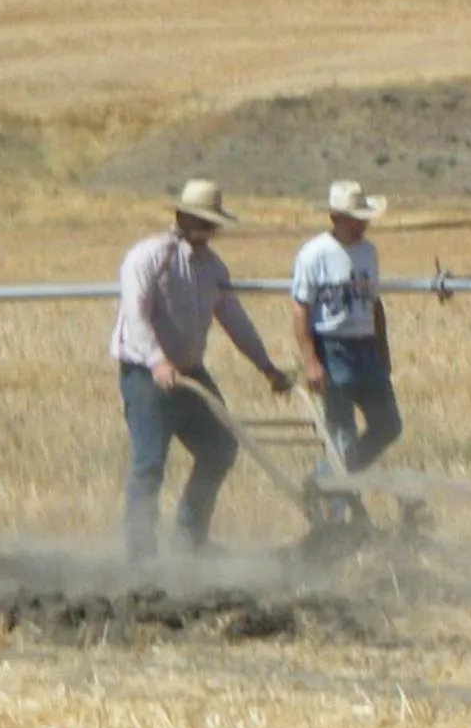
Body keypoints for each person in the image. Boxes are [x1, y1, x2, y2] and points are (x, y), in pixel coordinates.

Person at [110, 178, 292, 564]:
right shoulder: (148, 258)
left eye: (213, 225)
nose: (209, 232)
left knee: (220, 447)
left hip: (191, 374)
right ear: (181, 217)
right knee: (149, 463)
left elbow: (234, 319)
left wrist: (266, 367)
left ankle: (190, 539)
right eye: (203, 223)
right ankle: (139, 556)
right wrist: (158, 361)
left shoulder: (211, 267)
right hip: (146, 376)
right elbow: (135, 316)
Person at [290, 181, 410, 527]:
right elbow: (300, 310)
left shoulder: (369, 252)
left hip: (366, 346)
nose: (361, 225)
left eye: (364, 219)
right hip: (333, 347)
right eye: (353, 219)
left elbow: (374, 303)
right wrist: (311, 361)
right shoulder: (313, 254)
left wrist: (383, 349)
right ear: (335, 217)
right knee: (340, 435)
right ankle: (336, 514)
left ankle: (324, 480)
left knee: (388, 425)